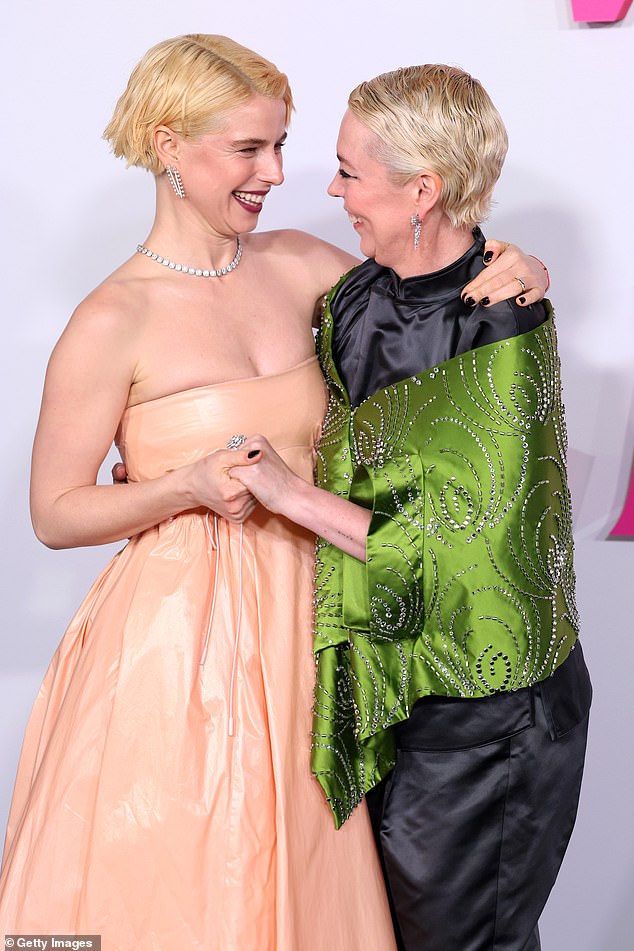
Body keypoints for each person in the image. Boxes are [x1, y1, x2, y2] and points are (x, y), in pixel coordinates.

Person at [0, 34, 548, 949]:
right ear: (169, 144)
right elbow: (54, 513)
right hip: (174, 648)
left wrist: (518, 269)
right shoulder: (111, 318)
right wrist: (181, 484)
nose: (277, 173)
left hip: (320, 618)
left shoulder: (308, 267)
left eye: (282, 145)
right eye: (249, 149)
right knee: (176, 885)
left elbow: (434, 310)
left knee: (316, 876)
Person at [231, 64, 592, 951]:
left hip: (486, 713)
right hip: (384, 683)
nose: (331, 188)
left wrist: (287, 495)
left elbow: (466, 559)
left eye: (350, 171)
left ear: (421, 190)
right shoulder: (356, 297)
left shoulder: (504, 320)